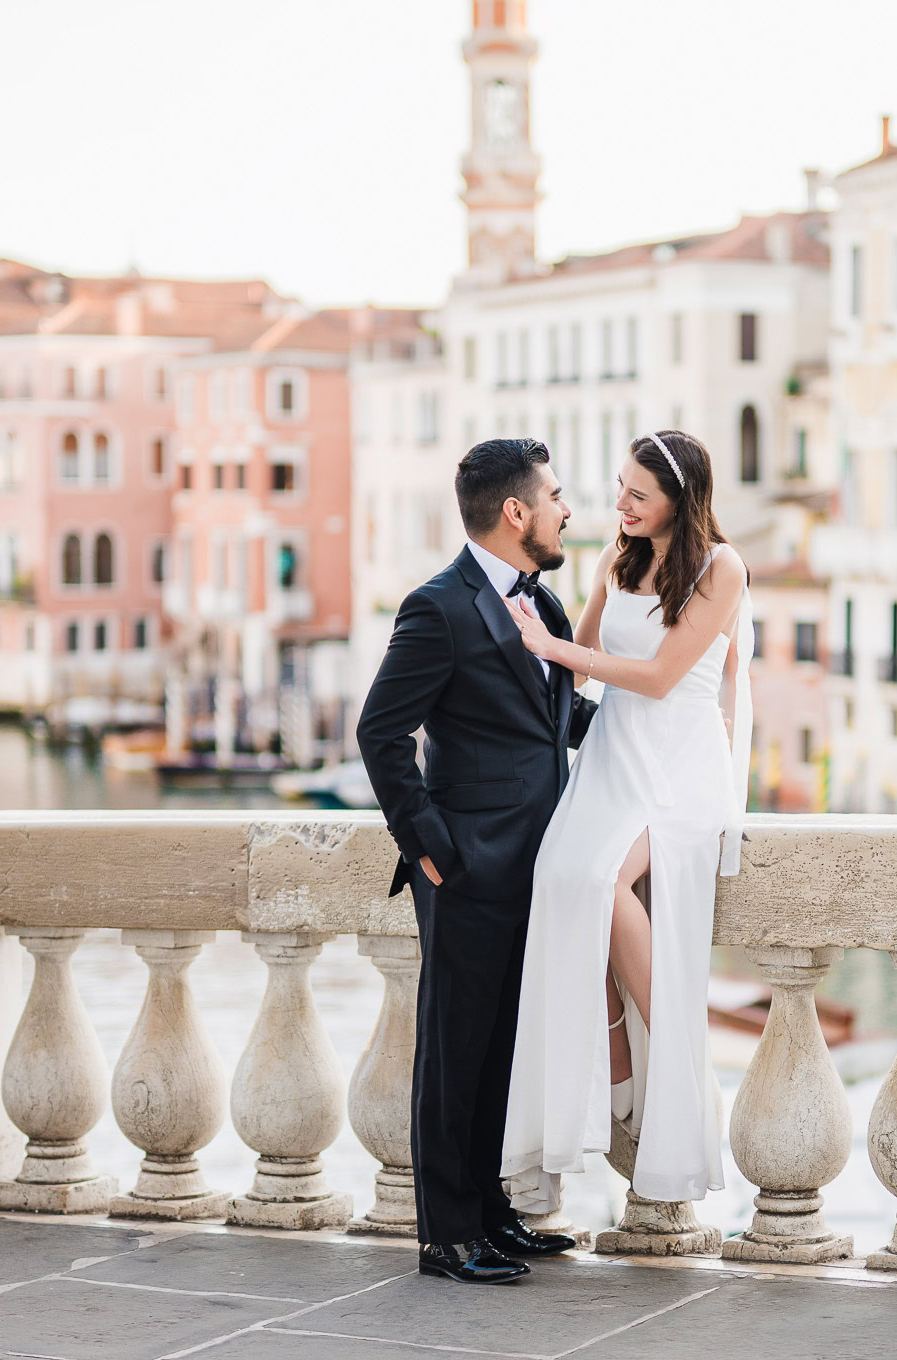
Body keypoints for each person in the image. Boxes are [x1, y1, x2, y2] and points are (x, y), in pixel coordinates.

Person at [356, 438, 596, 1285]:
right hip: (463, 871)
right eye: (558, 496)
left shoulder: (550, 610)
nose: (571, 509)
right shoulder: (438, 608)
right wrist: (429, 849)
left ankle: (491, 1215)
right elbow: (380, 734)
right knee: (453, 1053)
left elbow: (559, 720)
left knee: (499, 1050)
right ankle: (444, 1235)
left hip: (539, 868)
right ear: (516, 513)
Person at [500, 430, 751, 1224]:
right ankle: (607, 1073)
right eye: (619, 489)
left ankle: (675, 1063)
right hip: (614, 753)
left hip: (680, 760)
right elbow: (573, 650)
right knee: (561, 878)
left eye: (637, 494)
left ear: (681, 497)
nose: (621, 506)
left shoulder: (723, 568)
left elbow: (663, 674)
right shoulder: (617, 558)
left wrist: (556, 650)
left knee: (607, 880)